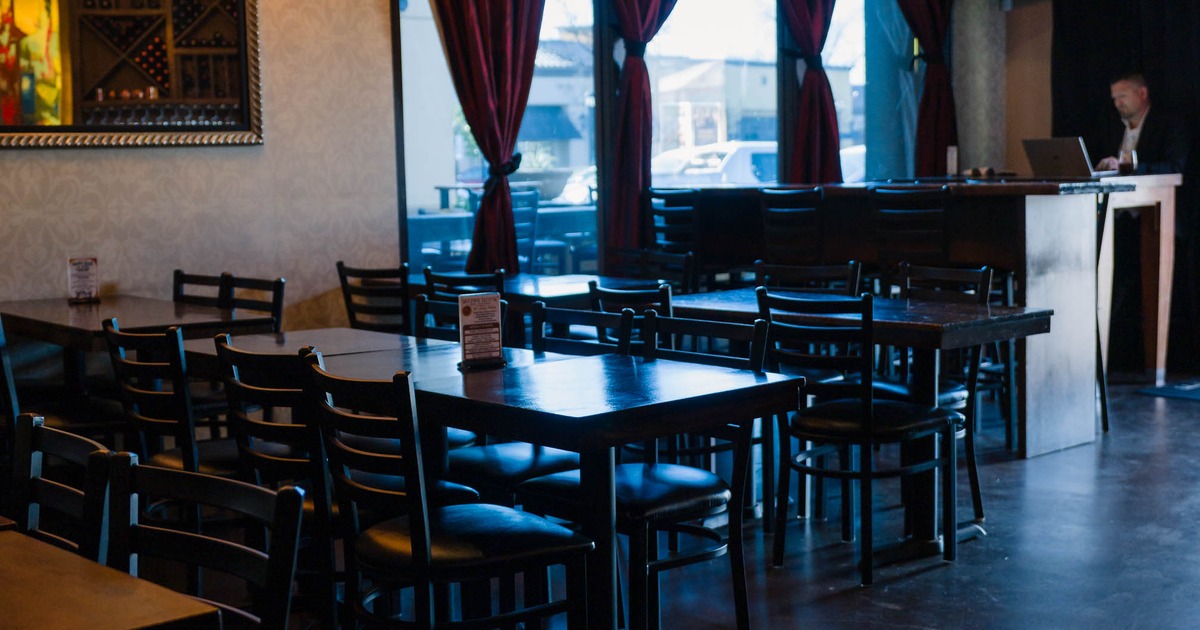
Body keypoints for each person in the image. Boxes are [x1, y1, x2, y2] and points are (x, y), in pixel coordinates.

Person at [1095, 71, 1188, 174]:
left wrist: (1130, 168)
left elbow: (1174, 168)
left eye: (1122, 96)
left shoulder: (1168, 125)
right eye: (1114, 98)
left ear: (1142, 93)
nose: (1117, 104)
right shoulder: (1113, 128)